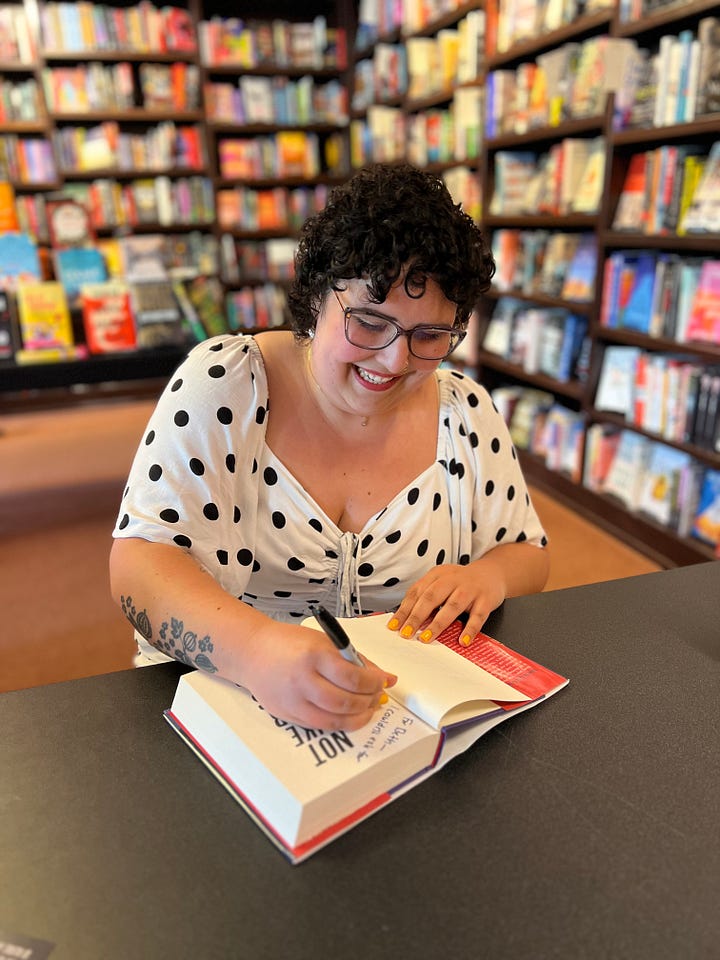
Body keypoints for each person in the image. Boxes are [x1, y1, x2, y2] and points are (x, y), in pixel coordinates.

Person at [110, 162, 549, 732]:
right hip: (226, 699)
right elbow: (139, 563)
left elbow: (527, 552)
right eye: (369, 322)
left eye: (430, 336)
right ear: (317, 295)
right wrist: (257, 651)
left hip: (398, 720)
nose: (396, 360)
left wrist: (488, 577)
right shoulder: (226, 383)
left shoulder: (464, 411)